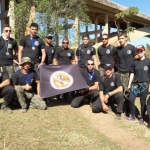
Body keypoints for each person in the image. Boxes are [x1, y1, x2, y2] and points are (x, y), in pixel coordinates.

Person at [127, 45, 150, 124]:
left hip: (144, 85)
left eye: (141, 51)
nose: (139, 52)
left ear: (144, 51)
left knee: (142, 102)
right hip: (135, 85)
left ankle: (142, 118)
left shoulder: (148, 61)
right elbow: (132, 74)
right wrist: (129, 84)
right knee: (131, 100)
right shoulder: (134, 62)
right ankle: (133, 116)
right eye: (138, 51)